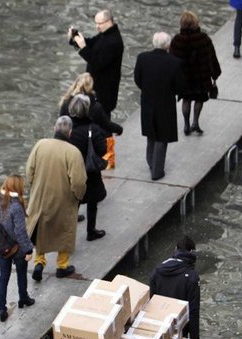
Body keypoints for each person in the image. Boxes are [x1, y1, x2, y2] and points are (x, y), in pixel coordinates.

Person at [26, 116, 87, 282]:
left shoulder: (40, 145)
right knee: (64, 231)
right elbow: (79, 181)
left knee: (42, 229)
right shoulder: (73, 152)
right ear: (70, 132)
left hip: (40, 196)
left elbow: (29, 170)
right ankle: (62, 265)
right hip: (63, 200)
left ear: (55, 128)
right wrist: (77, 196)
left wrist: (35, 186)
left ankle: (39, 262)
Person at [68, 9, 124, 168]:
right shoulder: (105, 35)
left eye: (99, 24)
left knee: (105, 125)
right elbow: (91, 43)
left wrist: (83, 48)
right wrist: (75, 39)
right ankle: (99, 154)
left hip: (105, 91)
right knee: (97, 123)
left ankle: (110, 159)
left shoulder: (114, 41)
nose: (97, 26)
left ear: (109, 22)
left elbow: (97, 63)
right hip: (95, 88)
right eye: (96, 23)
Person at [133, 32, 186, 181]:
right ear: (168, 45)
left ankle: (151, 162)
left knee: (151, 133)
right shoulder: (175, 63)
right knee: (162, 136)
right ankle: (157, 171)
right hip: (165, 103)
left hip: (148, 101)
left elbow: (137, 79)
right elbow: (180, 86)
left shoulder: (142, 58)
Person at [0, 175, 35, 322]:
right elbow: (20, 232)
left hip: (1, 247)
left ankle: (2, 309)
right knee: (21, 274)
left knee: (3, 277)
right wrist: (28, 250)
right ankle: (23, 298)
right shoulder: (16, 206)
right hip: (17, 249)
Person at [168, 11, 221, 136]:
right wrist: (215, 74)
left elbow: (171, 60)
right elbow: (211, 58)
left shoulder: (177, 40)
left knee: (186, 100)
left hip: (184, 78)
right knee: (199, 99)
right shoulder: (203, 38)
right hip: (200, 77)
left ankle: (186, 124)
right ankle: (195, 122)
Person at [66, 94, 108, 242]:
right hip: (90, 171)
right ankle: (91, 231)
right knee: (92, 203)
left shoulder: (67, 128)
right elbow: (102, 149)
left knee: (73, 203)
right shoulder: (93, 128)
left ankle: (69, 237)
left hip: (72, 171)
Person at [149, 235, 200, 339]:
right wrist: (194, 338)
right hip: (180, 328)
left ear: (176, 249)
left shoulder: (158, 270)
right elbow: (193, 309)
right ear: (191, 252)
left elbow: (151, 299)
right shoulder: (192, 277)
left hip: (160, 324)